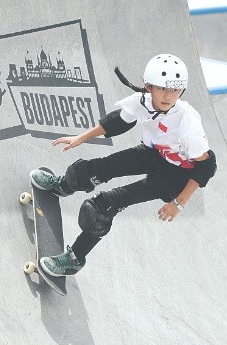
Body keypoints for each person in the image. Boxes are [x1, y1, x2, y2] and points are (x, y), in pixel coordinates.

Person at [30, 54, 217, 277]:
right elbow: (118, 122)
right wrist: (81, 137)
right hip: (154, 154)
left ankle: (74, 259)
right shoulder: (143, 102)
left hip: (174, 178)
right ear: (149, 87)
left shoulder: (187, 124)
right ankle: (63, 186)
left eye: (175, 90)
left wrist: (179, 203)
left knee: (104, 206)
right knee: (95, 168)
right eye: (162, 88)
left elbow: (206, 166)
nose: (168, 96)